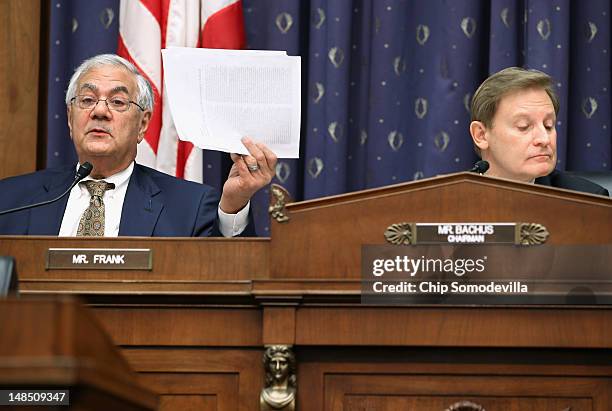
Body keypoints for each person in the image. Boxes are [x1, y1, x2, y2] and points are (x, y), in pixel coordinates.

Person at [0, 54, 277, 236]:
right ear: (70, 119)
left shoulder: (189, 208)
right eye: (86, 100)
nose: (99, 111)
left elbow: (224, 279)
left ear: (143, 124)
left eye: (118, 102)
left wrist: (233, 206)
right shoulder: (10, 201)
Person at [469, 67, 609, 196]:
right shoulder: (451, 198)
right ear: (481, 135)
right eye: (524, 126)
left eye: (548, 126)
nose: (544, 139)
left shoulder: (587, 200)